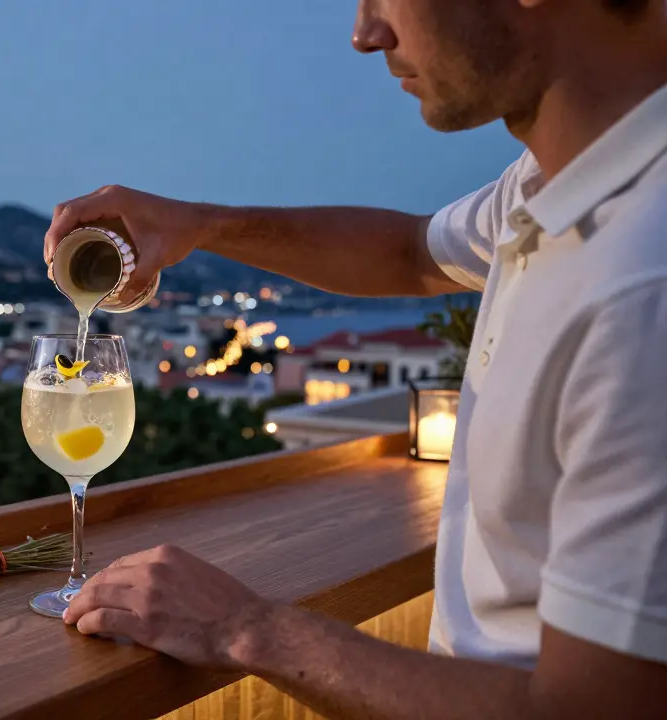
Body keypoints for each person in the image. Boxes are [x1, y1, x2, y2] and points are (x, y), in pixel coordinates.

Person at [45, 1, 667, 718]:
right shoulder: (554, 184)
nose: (364, 34)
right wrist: (199, 224)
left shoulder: (641, 287)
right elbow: (408, 252)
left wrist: (247, 629)